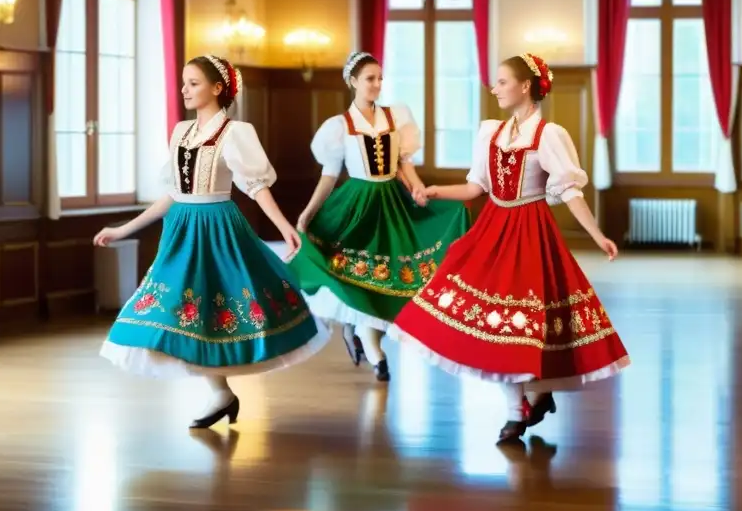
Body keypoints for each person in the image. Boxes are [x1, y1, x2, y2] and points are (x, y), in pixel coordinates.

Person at [388, 53, 630, 444]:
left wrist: (596, 233)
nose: (494, 88)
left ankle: (523, 403)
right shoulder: (492, 133)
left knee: (523, 322)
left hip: (531, 233)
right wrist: (434, 190)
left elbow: (569, 190)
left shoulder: (548, 135)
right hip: (493, 230)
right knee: (489, 319)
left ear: (525, 86)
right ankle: (527, 400)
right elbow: (477, 188)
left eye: (501, 82)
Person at [95, 55, 328, 429]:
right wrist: (125, 228)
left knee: (214, 307)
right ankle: (219, 393)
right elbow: (173, 193)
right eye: (184, 83)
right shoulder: (180, 133)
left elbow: (256, 186)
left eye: (193, 83)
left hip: (218, 228)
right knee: (173, 307)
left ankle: (219, 393)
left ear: (217, 88)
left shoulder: (236, 133)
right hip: (181, 229)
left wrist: (285, 226)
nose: (184, 90)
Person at [288, 51, 471, 382]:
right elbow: (329, 176)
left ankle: (369, 339)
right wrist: (308, 213)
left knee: (391, 275)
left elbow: (405, 165)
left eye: (380, 78)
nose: (376, 84)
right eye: (370, 78)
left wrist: (418, 190)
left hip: (392, 202)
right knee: (361, 270)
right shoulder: (338, 127)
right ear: (353, 81)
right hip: (357, 205)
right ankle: (368, 342)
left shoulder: (396, 116)